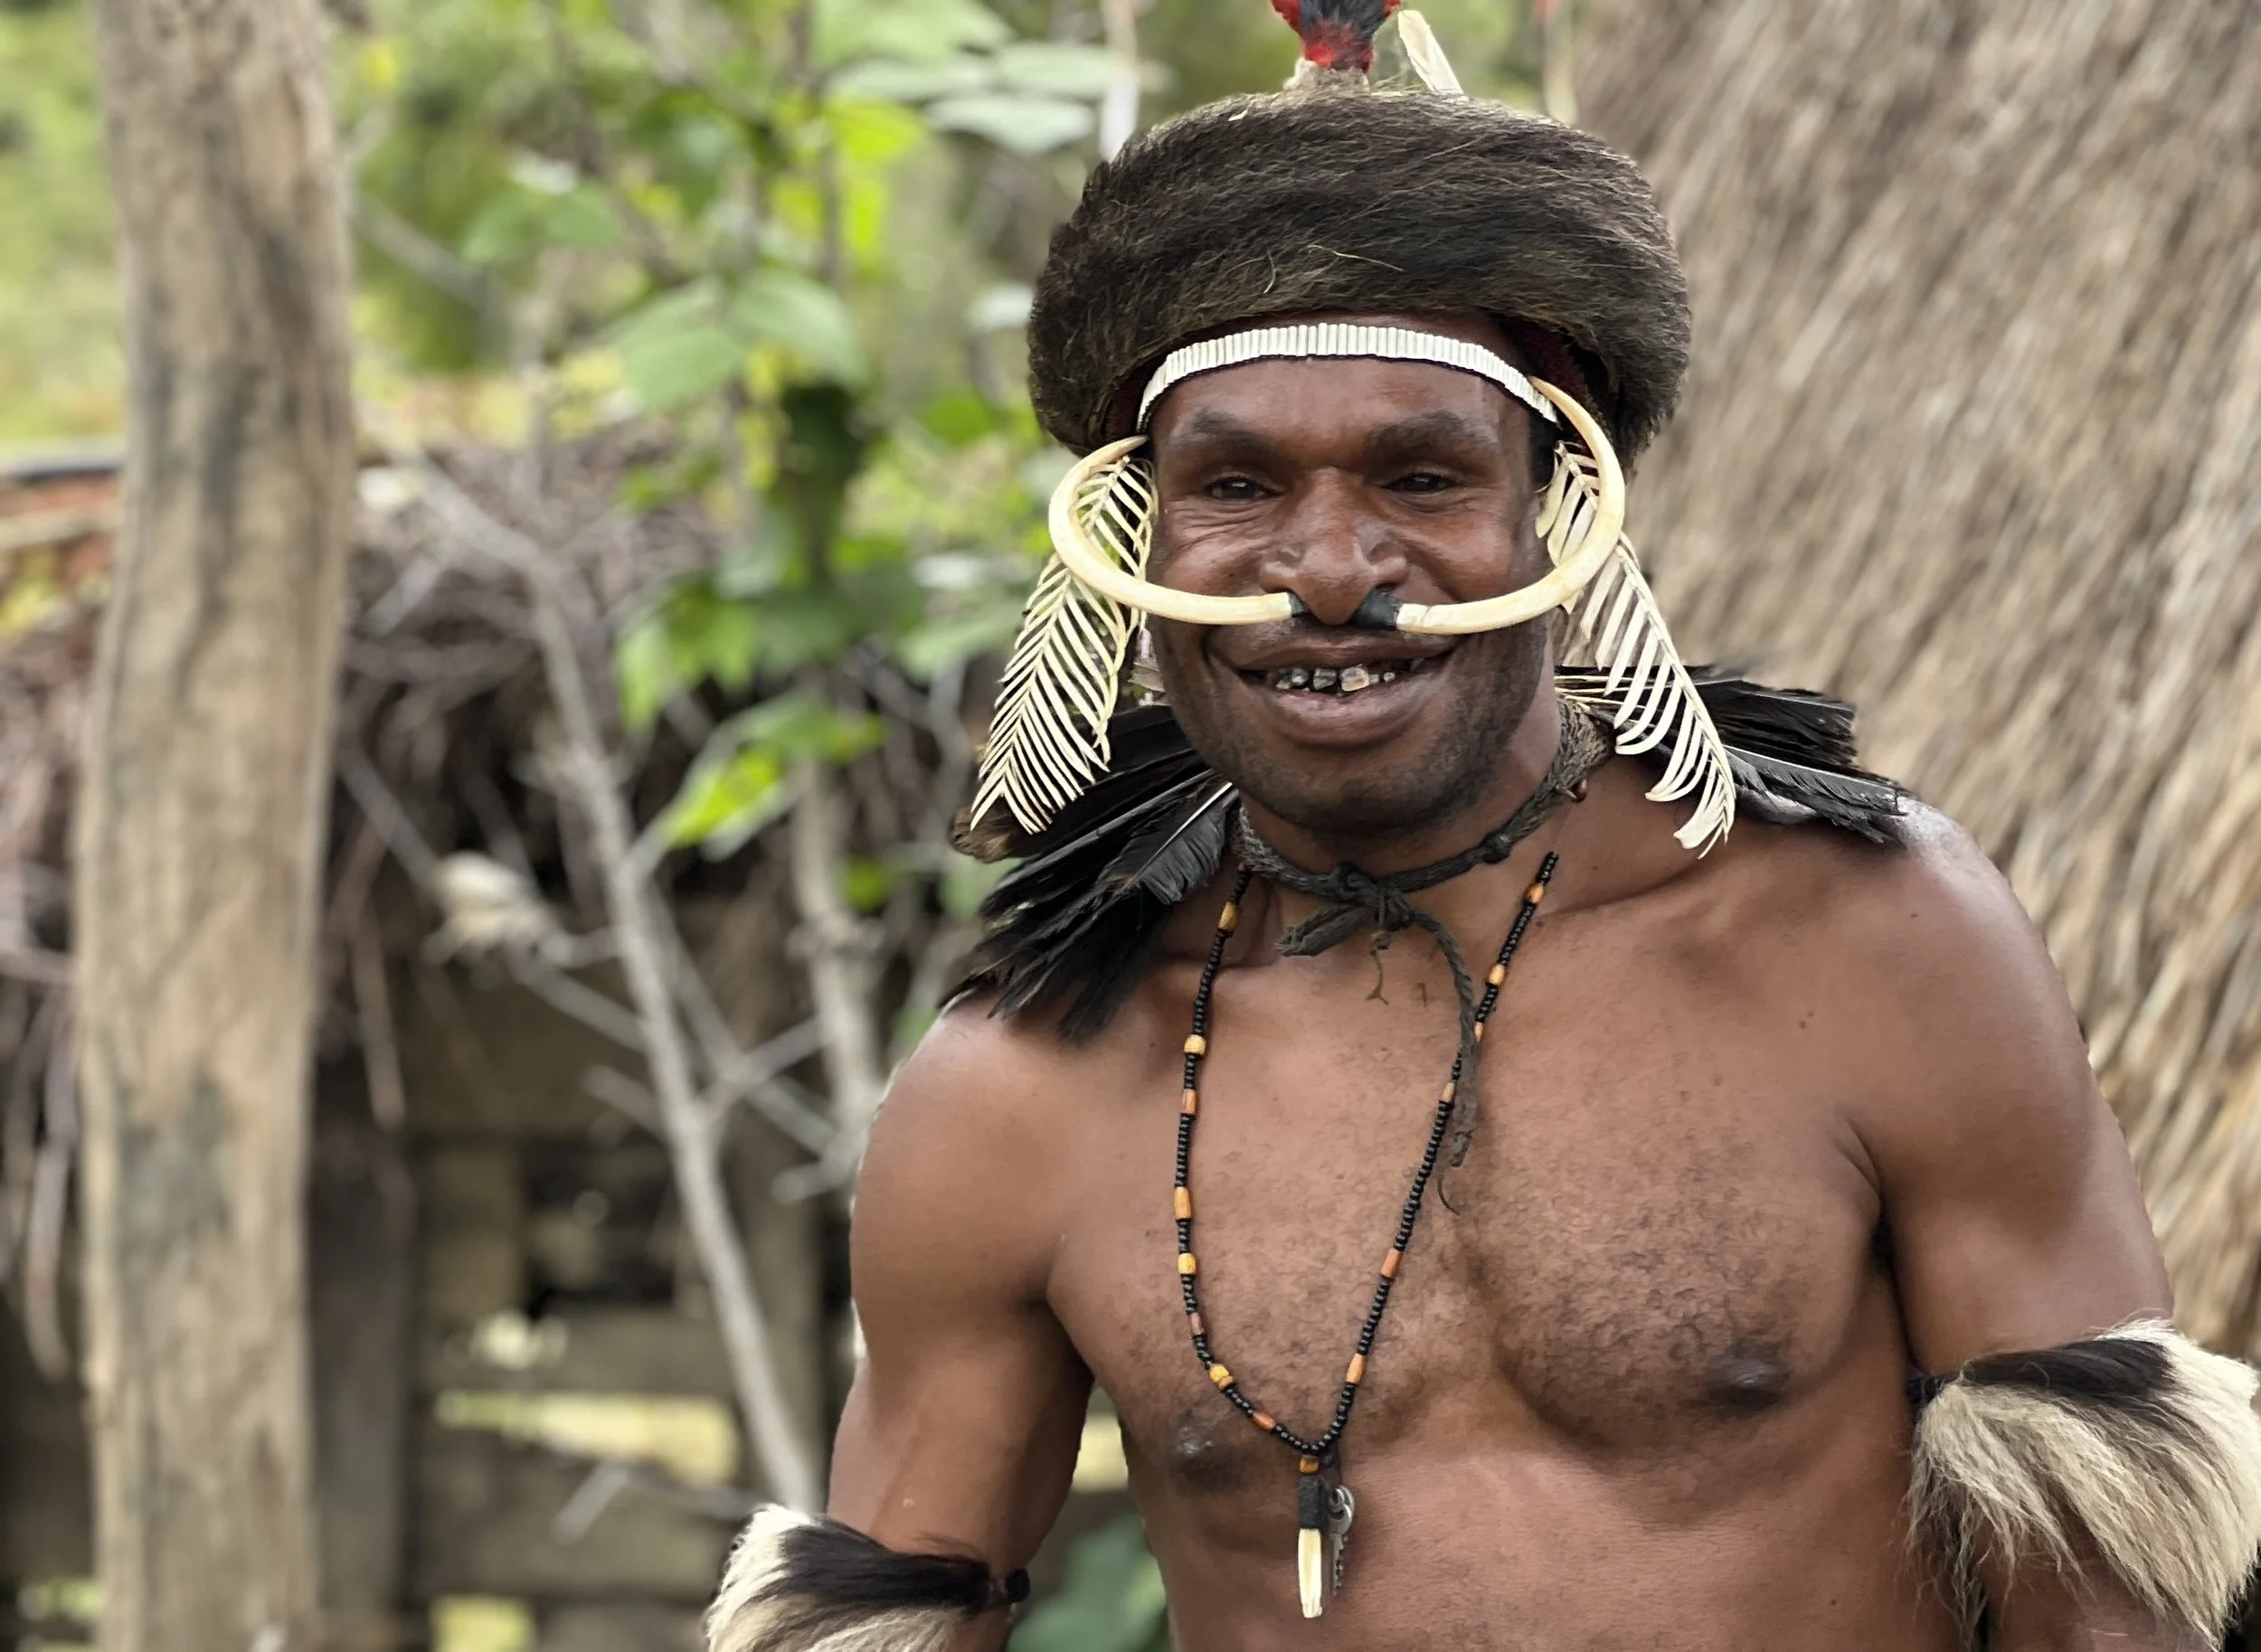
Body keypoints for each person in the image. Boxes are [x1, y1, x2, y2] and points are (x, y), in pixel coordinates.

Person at [707, 5, 2261, 1649]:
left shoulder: (1866, 947)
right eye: (1234, 488)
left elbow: (2114, 1607)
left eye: (1423, 477)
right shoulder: (1021, 1086)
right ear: (1127, 529)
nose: (1325, 566)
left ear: (1560, 510)